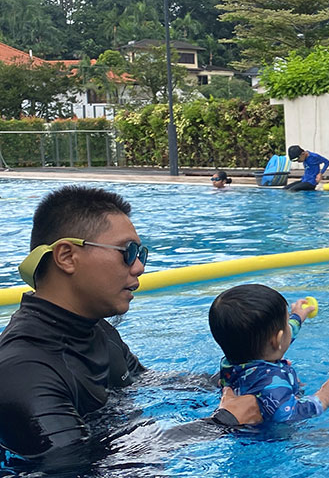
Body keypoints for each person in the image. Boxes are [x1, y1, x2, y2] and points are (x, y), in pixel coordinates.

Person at [0, 186, 256, 462]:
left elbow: (145, 382)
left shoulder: (96, 328)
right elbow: (78, 475)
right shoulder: (25, 369)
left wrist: (239, 380)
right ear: (66, 257)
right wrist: (220, 424)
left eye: (140, 254)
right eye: (127, 251)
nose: (139, 267)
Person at [210, 284, 329, 423]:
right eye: (287, 322)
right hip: (271, 436)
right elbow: (290, 414)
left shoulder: (233, 358)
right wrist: (325, 395)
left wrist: (298, 317)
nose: (290, 325)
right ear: (276, 340)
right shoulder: (271, 381)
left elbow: (279, 339)